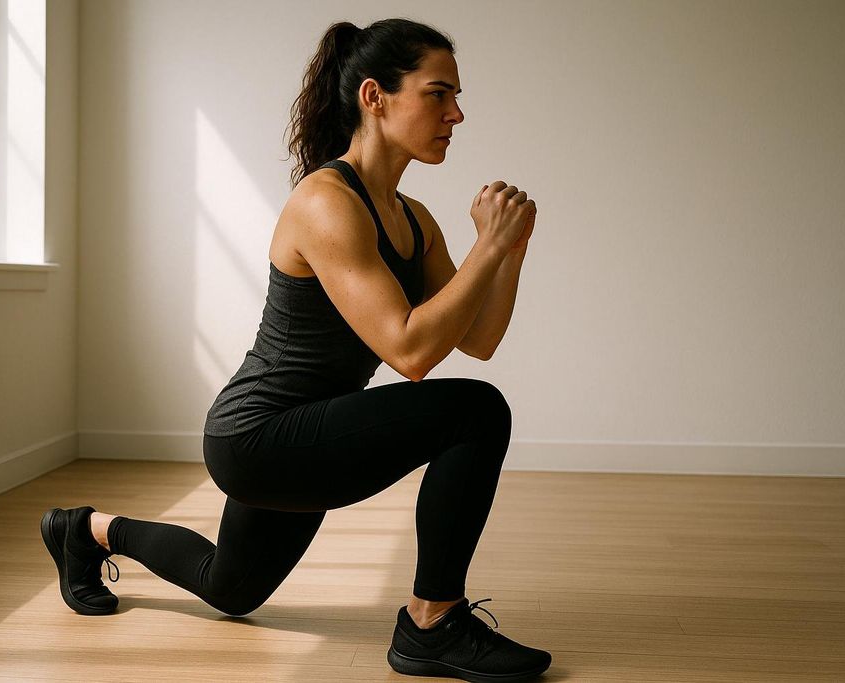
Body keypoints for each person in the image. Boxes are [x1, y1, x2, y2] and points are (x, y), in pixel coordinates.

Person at [40, 17, 550, 683]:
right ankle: (433, 622)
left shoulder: (414, 219)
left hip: (308, 431)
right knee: (477, 411)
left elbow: (478, 339)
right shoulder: (326, 202)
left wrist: (508, 251)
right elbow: (410, 352)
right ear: (375, 96)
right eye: (438, 93)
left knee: (230, 587)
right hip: (258, 436)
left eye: (456, 97)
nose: (456, 114)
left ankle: (83, 529)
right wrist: (486, 246)